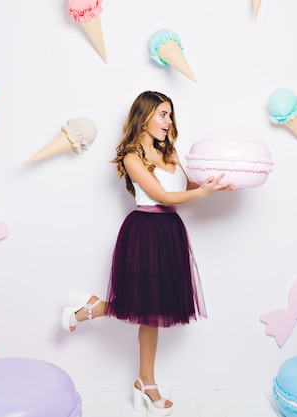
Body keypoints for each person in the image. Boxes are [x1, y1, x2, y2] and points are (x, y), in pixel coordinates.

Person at [61, 90, 234, 416]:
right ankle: (95, 316)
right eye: (163, 114)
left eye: (170, 115)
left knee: (152, 309)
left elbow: (184, 189)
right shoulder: (131, 156)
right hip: (144, 232)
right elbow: (161, 196)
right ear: (145, 116)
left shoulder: (169, 152)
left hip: (170, 232)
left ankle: (143, 377)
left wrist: (216, 185)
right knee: (143, 306)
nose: (169, 122)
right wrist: (204, 192)